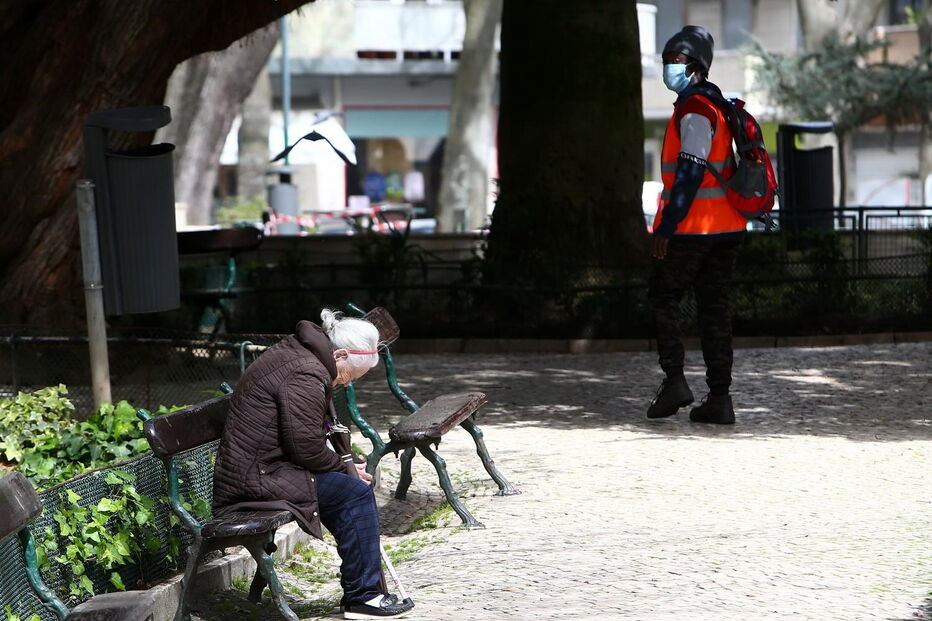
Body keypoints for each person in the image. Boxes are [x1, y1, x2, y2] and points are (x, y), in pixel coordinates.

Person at [213, 310, 414, 619]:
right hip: (257, 476)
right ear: (341, 354)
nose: (345, 383)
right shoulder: (306, 372)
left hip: (268, 467)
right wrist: (343, 467)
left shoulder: (305, 354)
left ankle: (364, 589)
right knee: (354, 493)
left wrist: (345, 466)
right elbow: (305, 448)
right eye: (348, 375)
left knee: (352, 486)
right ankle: (364, 596)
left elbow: (303, 442)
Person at [647, 25, 746, 425]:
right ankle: (719, 400)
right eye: (667, 59)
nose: (671, 66)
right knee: (715, 312)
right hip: (727, 230)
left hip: (693, 229)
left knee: (662, 298)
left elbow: (690, 168)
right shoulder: (718, 104)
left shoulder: (696, 109)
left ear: (697, 66)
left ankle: (675, 381)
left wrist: (667, 226)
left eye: (679, 60)